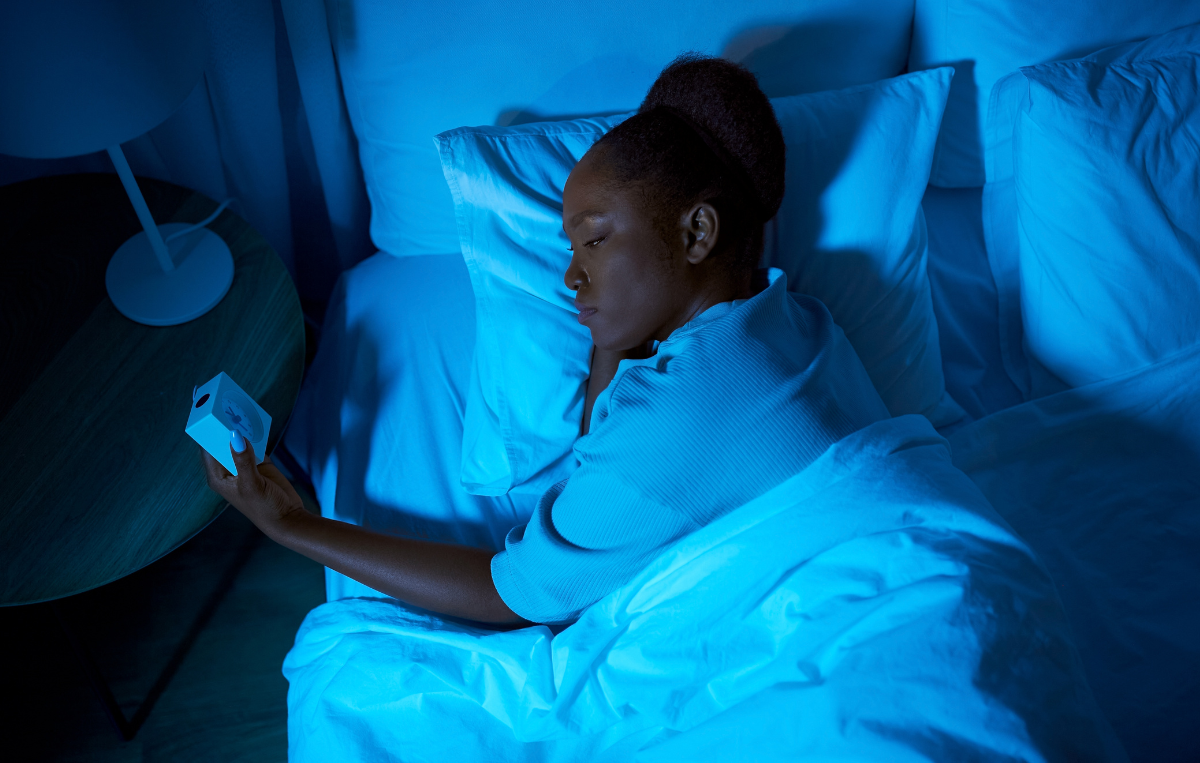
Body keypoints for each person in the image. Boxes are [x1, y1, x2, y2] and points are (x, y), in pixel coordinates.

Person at [202, 53, 890, 627]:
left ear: (697, 232)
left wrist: (291, 526)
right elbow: (604, 433)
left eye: (593, 240)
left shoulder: (676, 422)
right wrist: (619, 326)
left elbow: (516, 593)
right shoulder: (798, 323)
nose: (570, 275)